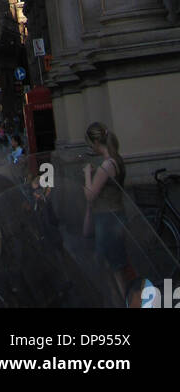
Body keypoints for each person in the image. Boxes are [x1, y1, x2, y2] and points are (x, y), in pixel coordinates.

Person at [83, 121, 127, 303]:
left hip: (107, 220)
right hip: (115, 216)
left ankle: (123, 301)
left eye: (90, 144)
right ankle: (119, 301)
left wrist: (87, 174)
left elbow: (90, 195)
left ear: (95, 143)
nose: (90, 148)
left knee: (113, 268)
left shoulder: (106, 166)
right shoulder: (116, 160)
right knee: (113, 267)